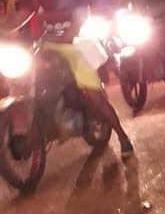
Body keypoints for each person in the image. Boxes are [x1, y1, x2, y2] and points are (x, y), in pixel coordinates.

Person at [19, 0, 135, 157]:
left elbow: (73, 30)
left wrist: (45, 40)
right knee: (25, 80)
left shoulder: (75, 3)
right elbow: (20, 17)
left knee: (95, 97)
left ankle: (122, 137)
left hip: (75, 48)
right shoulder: (37, 3)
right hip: (46, 49)